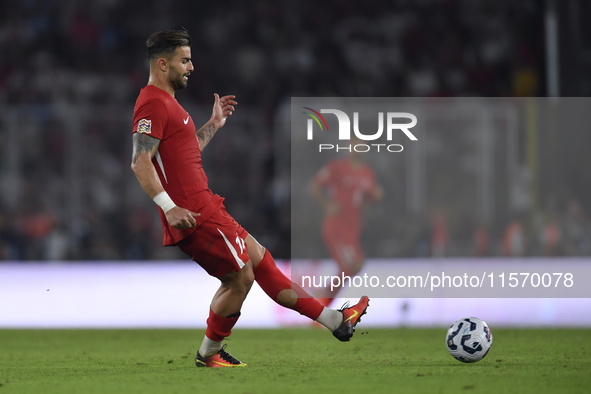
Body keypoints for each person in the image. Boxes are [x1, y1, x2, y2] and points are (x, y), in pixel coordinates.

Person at [130, 29, 369, 368]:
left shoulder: (169, 103)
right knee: (240, 277)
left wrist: (214, 124)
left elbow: (183, 154)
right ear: (164, 63)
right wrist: (169, 207)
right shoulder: (153, 102)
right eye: (185, 61)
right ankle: (209, 354)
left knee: (259, 259)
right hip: (194, 211)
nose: (191, 67)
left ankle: (334, 320)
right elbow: (140, 161)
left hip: (205, 204)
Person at [309, 144, 383, 307]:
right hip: (337, 226)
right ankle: (321, 302)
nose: (358, 148)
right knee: (352, 264)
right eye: (354, 144)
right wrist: (327, 205)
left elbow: (367, 199)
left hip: (352, 228)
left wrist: (375, 197)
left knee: (353, 266)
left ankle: (322, 300)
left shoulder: (367, 173)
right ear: (348, 147)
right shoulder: (337, 168)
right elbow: (315, 186)